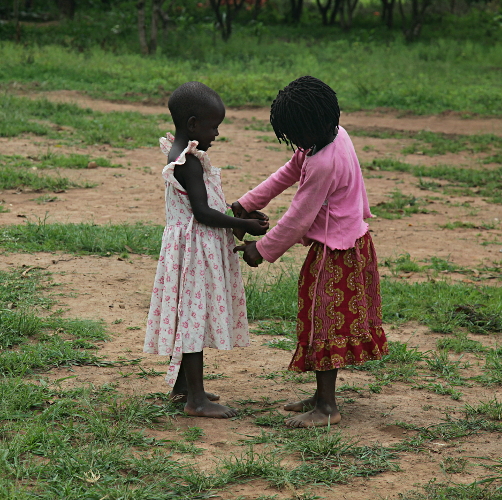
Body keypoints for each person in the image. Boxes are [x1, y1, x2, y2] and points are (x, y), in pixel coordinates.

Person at [233, 76, 388, 428]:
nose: (295, 145)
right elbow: (288, 171)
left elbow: (298, 218)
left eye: (296, 137)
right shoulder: (330, 136)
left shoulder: (323, 163)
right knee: (319, 319)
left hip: (337, 252)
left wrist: (261, 249)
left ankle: (327, 407)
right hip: (347, 244)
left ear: (309, 129)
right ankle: (321, 396)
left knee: (324, 324)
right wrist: (245, 204)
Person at [144, 81, 269, 418]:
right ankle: (195, 401)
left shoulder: (186, 154)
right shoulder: (188, 162)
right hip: (195, 251)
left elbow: (204, 204)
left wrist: (237, 215)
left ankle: (184, 386)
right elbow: (201, 212)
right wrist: (243, 226)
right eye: (214, 126)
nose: (217, 133)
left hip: (190, 247)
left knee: (190, 317)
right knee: (194, 322)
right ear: (193, 124)